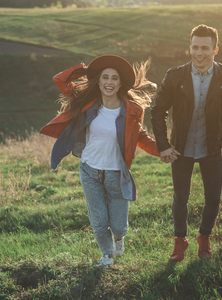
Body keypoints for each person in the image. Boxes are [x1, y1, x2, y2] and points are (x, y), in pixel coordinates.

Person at [40, 55, 167, 267]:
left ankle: (118, 237)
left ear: (120, 83)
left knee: (118, 226)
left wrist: (164, 150)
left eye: (114, 78)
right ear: (98, 81)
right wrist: (86, 70)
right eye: (104, 77)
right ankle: (107, 255)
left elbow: (141, 138)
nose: (109, 82)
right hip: (89, 171)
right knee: (99, 222)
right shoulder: (87, 104)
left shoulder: (133, 110)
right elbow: (60, 80)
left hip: (117, 174)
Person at [151, 24, 222, 262]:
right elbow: (158, 111)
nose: (199, 53)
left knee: (213, 198)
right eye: (194, 47)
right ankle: (180, 241)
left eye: (205, 47)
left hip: (212, 147)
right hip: (180, 149)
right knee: (180, 197)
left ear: (215, 50)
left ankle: (204, 237)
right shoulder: (175, 76)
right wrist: (163, 145)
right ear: (189, 48)